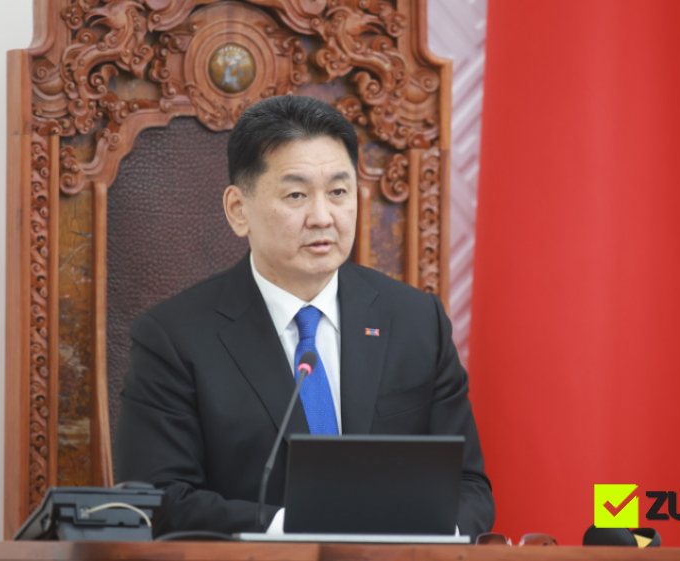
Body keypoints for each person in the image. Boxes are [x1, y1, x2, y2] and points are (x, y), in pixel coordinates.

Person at [114, 95, 495, 538]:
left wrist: (430, 533)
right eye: (296, 195)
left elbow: (469, 486)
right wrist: (298, 527)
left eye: (338, 192)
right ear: (239, 210)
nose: (322, 217)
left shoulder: (417, 321)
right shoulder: (174, 338)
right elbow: (159, 499)